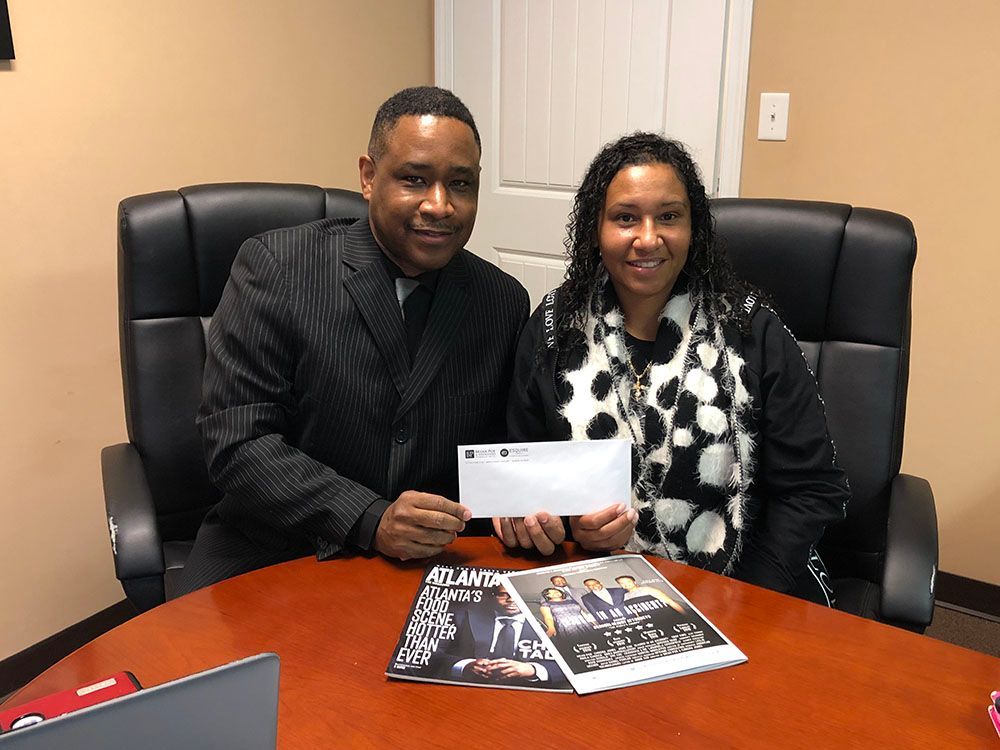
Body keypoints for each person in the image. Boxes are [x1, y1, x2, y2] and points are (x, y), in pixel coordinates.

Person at [178, 87, 529, 594]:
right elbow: (237, 442)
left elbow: (505, 448)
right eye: (414, 180)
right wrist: (368, 517)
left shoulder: (502, 300)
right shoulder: (277, 267)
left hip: (434, 563)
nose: (440, 205)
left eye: (461, 184)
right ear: (368, 177)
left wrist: (558, 508)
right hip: (279, 549)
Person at [501, 133, 850, 604]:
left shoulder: (752, 332)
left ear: (694, 228)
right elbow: (527, 475)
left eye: (669, 216)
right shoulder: (553, 330)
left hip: (741, 589)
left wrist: (747, 597)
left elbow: (812, 490)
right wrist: (567, 527)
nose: (648, 238)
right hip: (595, 588)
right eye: (625, 218)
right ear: (595, 229)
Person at [444, 585, 564, 686]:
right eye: (503, 594)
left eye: (517, 594)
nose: (511, 599)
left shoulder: (552, 623)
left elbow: (573, 663)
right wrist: (465, 665)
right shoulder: (461, 616)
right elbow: (432, 653)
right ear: (493, 596)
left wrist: (533, 669)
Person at [614, 575, 685, 614]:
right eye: (622, 583)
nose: (626, 584)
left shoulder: (647, 589)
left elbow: (670, 602)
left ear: (634, 582)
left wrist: (686, 615)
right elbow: (636, 612)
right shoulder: (626, 596)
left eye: (628, 581)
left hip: (665, 615)